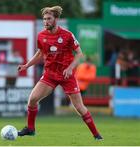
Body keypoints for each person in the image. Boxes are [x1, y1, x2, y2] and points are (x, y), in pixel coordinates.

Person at [17, 6, 103, 140]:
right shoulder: (41, 36)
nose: (46, 22)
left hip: (66, 76)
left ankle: (97, 135)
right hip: (50, 74)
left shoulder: (67, 35)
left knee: (79, 108)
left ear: (56, 19)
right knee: (32, 99)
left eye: (49, 19)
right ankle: (30, 129)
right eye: (44, 19)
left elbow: (80, 54)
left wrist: (69, 68)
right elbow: (40, 53)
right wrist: (27, 65)